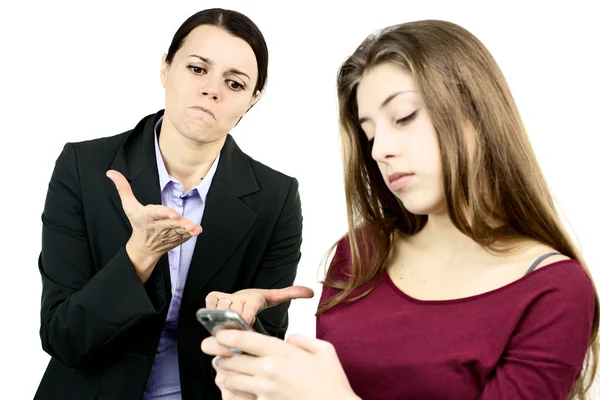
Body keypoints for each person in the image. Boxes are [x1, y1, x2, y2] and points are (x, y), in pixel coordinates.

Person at [200, 19, 599, 400]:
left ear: (476, 113)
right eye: (369, 132)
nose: (379, 150)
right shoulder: (361, 254)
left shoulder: (554, 292)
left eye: (404, 117)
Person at [34, 8, 313, 400]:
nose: (212, 89)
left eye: (234, 83)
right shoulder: (84, 168)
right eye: (198, 69)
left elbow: (260, 361)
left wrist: (238, 327)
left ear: (252, 100)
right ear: (165, 69)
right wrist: (139, 256)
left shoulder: (276, 197)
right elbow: (62, 336)